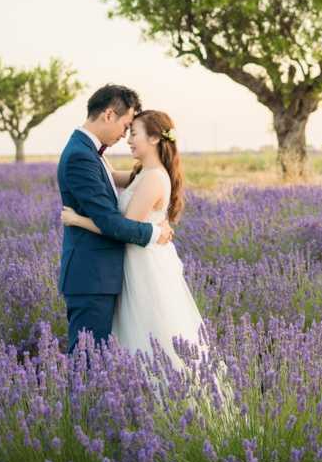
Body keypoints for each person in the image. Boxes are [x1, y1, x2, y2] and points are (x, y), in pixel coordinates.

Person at [60, 109, 209, 371]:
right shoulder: (143, 173)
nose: (128, 139)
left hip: (143, 263)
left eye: (134, 133)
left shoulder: (153, 178)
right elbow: (111, 174)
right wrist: (95, 148)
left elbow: (121, 226)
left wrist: (77, 220)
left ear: (153, 139)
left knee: (149, 330)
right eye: (127, 131)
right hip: (133, 259)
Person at [57, 85, 173, 355]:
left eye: (133, 131)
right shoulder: (81, 156)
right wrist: (155, 233)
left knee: (97, 360)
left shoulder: (91, 153)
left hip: (105, 275)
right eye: (125, 126)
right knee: (87, 363)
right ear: (109, 115)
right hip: (92, 277)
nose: (125, 135)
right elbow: (110, 223)